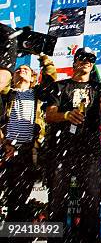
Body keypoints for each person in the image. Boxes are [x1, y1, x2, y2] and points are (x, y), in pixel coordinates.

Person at [44, 47, 101, 243]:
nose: (86, 62)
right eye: (82, 59)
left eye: (90, 60)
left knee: (91, 202)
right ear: (74, 63)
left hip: (90, 151)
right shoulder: (59, 86)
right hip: (61, 150)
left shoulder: (99, 87)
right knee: (57, 202)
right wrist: (66, 115)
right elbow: (49, 114)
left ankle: (89, 239)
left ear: (93, 64)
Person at [0, 54, 56, 229]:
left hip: (30, 151)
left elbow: (51, 80)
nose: (21, 70)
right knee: (12, 197)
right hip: (7, 149)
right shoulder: (6, 95)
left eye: (26, 69)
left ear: (33, 77)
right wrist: (4, 143)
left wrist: (44, 59)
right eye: (18, 70)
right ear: (13, 77)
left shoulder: (38, 94)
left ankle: (21, 234)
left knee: (23, 196)